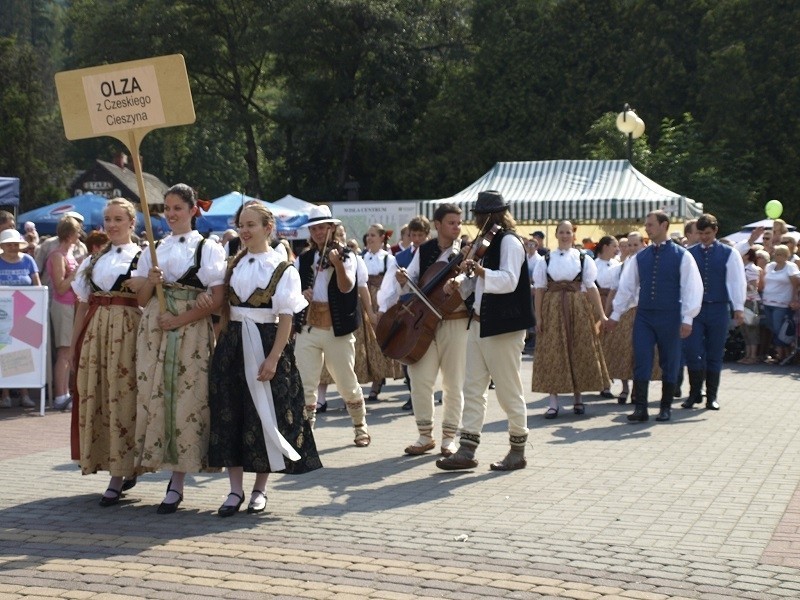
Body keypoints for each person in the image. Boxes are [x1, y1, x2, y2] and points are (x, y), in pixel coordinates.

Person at [207, 203, 321, 517]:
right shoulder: (234, 264)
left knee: (264, 415)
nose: (244, 231)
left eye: (251, 225)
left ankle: (260, 489)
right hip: (232, 344)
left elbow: (286, 317)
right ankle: (234, 490)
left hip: (266, 341)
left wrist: (273, 358)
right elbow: (223, 309)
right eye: (241, 225)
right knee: (231, 413)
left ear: (268, 228)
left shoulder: (282, 268)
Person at [130, 183, 227, 514]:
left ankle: (178, 481)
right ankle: (151, 462)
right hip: (156, 331)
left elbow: (217, 299)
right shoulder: (153, 249)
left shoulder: (208, 249)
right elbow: (140, 300)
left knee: (187, 400)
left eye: (177, 209)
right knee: (154, 396)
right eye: (167, 209)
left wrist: (181, 318)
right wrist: (150, 283)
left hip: (190, 332)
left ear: (192, 211)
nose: (171, 215)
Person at [436, 190, 533, 471]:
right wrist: (460, 284)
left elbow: (509, 281)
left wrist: (477, 272)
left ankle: (517, 450)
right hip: (478, 323)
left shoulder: (510, 242)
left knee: (508, 390)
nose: (476, 220)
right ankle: (467, 450)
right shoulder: (486, 242)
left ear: (490, 216)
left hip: (503, 327)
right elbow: (477, 283)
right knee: (473, 388)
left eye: (479, 215)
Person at [69, 198, 142, 506]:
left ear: (131, 223)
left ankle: (122, 471)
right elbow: (82, 304)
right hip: (96, 330)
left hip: (128, 331)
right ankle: (111, 465)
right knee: (99, 397)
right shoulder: (94, 260)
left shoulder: (143, 256)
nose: (112, 225)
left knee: (124, 398)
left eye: (118, 219)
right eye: (108, 219)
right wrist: (75, 346)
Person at [387, 203, 468, 457]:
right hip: (424, 324)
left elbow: (473, 284)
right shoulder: (425, 250)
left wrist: (459, 283)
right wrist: (402, 279)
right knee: (420, 379)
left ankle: (449, 438)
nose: (457, 227)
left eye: (458, 222)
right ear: (438, 225)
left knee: (454, 382)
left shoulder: (467, 251)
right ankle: (424, 436)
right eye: (451, 222)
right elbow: (411, 282)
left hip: (455, 320)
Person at [606, 211, 703, 422]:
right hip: (645, 315)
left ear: (664, 225)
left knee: (670, 361)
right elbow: (627, 288)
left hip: (671, 315)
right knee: (642, 358)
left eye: (650, 225)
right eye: (646, 225)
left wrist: (688, 318)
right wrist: (615, 314)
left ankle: (665, 407)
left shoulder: (682, 255)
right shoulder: (640, 256)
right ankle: (641, 408)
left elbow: (692, 288)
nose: (647, 228)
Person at [294, 205, 370, 447]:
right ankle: (306, 433)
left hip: (337, 327)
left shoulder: (348, 256)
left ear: (332, 228)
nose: (318, 232)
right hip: (309, 326)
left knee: (346, 380)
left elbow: (347, 287)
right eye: (314, 228)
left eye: (322, 228)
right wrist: (301, 294)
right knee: (306, 381)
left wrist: (337, 265)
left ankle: (360, 426)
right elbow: (292, 290)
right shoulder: (304, 258)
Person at [531, 221, 609, 418]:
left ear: (573, 235)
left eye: (568, 232)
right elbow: (540, 289)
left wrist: (601, 314)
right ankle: (553, 402)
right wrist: (538, 317)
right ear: (556, 235)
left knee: (578, 349)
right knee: (553, 351)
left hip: (578, 308)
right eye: (561, 232)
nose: (565, 236)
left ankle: (578, 398)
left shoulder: (583, 258)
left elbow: (591, 287)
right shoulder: (545, 259)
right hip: (553, 308)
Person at [680, 214, 746, 411]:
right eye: (700, 233)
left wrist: (739, 308)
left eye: (707, 233)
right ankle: (694, 393)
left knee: (715, 353)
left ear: (715, 231)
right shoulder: (689, 253)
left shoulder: (729, 253)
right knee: (692, 351)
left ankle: (712, 396)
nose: (704, 237)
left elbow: (736, 281)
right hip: (696, 309)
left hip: (718, 307)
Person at [0, 229, 41, 408]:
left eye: (16, 243)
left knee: (25, 351)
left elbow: (37, 285)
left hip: (25, 313)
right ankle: (5, 394)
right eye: (9, 244)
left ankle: (25, 393)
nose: (13, 247)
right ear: (2, 246)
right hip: (3, 314)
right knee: (4, 351)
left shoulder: (29, 260)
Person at [361, 223, 402, 403]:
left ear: (382, 237)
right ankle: (375, 379)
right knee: (369, 343)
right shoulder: (362, 258)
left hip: (381, 301)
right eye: (368, 235)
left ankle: (381, 379)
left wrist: (383, 308)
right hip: (365, 302)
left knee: (383, 340)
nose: (369, 238)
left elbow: (391, 286)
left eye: (373, 235)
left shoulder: (389, 259)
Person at [47, 216, 83, 411]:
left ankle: (65, 393)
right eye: (78, 231)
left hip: (71, 305)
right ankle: (60, 395)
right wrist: (76, 272)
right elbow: (60, 287)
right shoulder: (57, 255)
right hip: (62, 306)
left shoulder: (67, 254)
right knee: (64, 352)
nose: (80, 235)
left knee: (68, 351)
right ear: (70, 234)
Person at [760, 244, 800, 363]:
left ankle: (784, 354)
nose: (778, 256)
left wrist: (794, 299)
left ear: (786, 255)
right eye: (776, 254)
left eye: (781, 254)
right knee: (771, 327)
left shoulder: (790, 267)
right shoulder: (770, 266)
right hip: (767, 301)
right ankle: (781, 353)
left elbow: (796, 284)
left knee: (779, 328)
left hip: (782, 303)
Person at [738, 248, 764, 364]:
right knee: (744, 329)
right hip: (742, 300)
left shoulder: (752, 269)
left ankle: (753, 356)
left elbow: (753, 288)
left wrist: (741, 283)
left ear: (747, 255)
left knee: (751, 329)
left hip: (750, 301)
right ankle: (747, 354)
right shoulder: (742, 268)